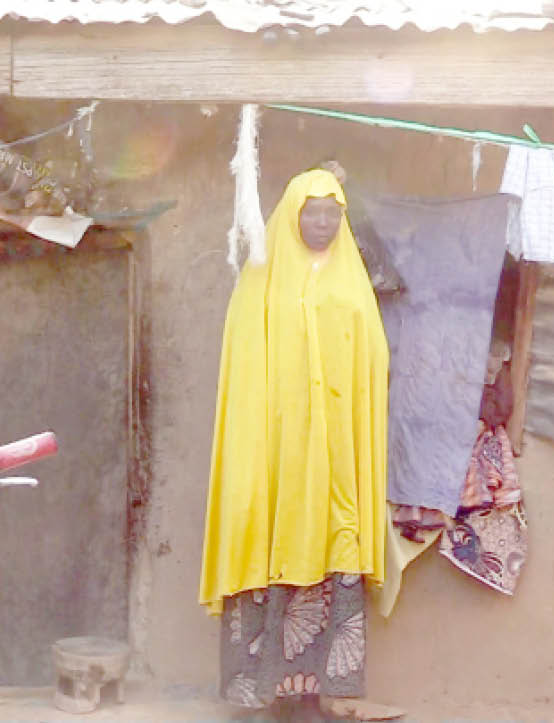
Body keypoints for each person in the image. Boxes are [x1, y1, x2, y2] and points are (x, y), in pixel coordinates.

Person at [199, 169, 401, 720]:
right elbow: (242, 361)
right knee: (268, 536)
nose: (321, 223)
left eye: (332, 214)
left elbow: (371, 360)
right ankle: (260, 692)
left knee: (332, 542)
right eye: (312, 212)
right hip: (273, 450)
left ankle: (317, 695)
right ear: (291, 215)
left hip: (334, 452)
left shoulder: (352, 284)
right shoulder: (261, 277)